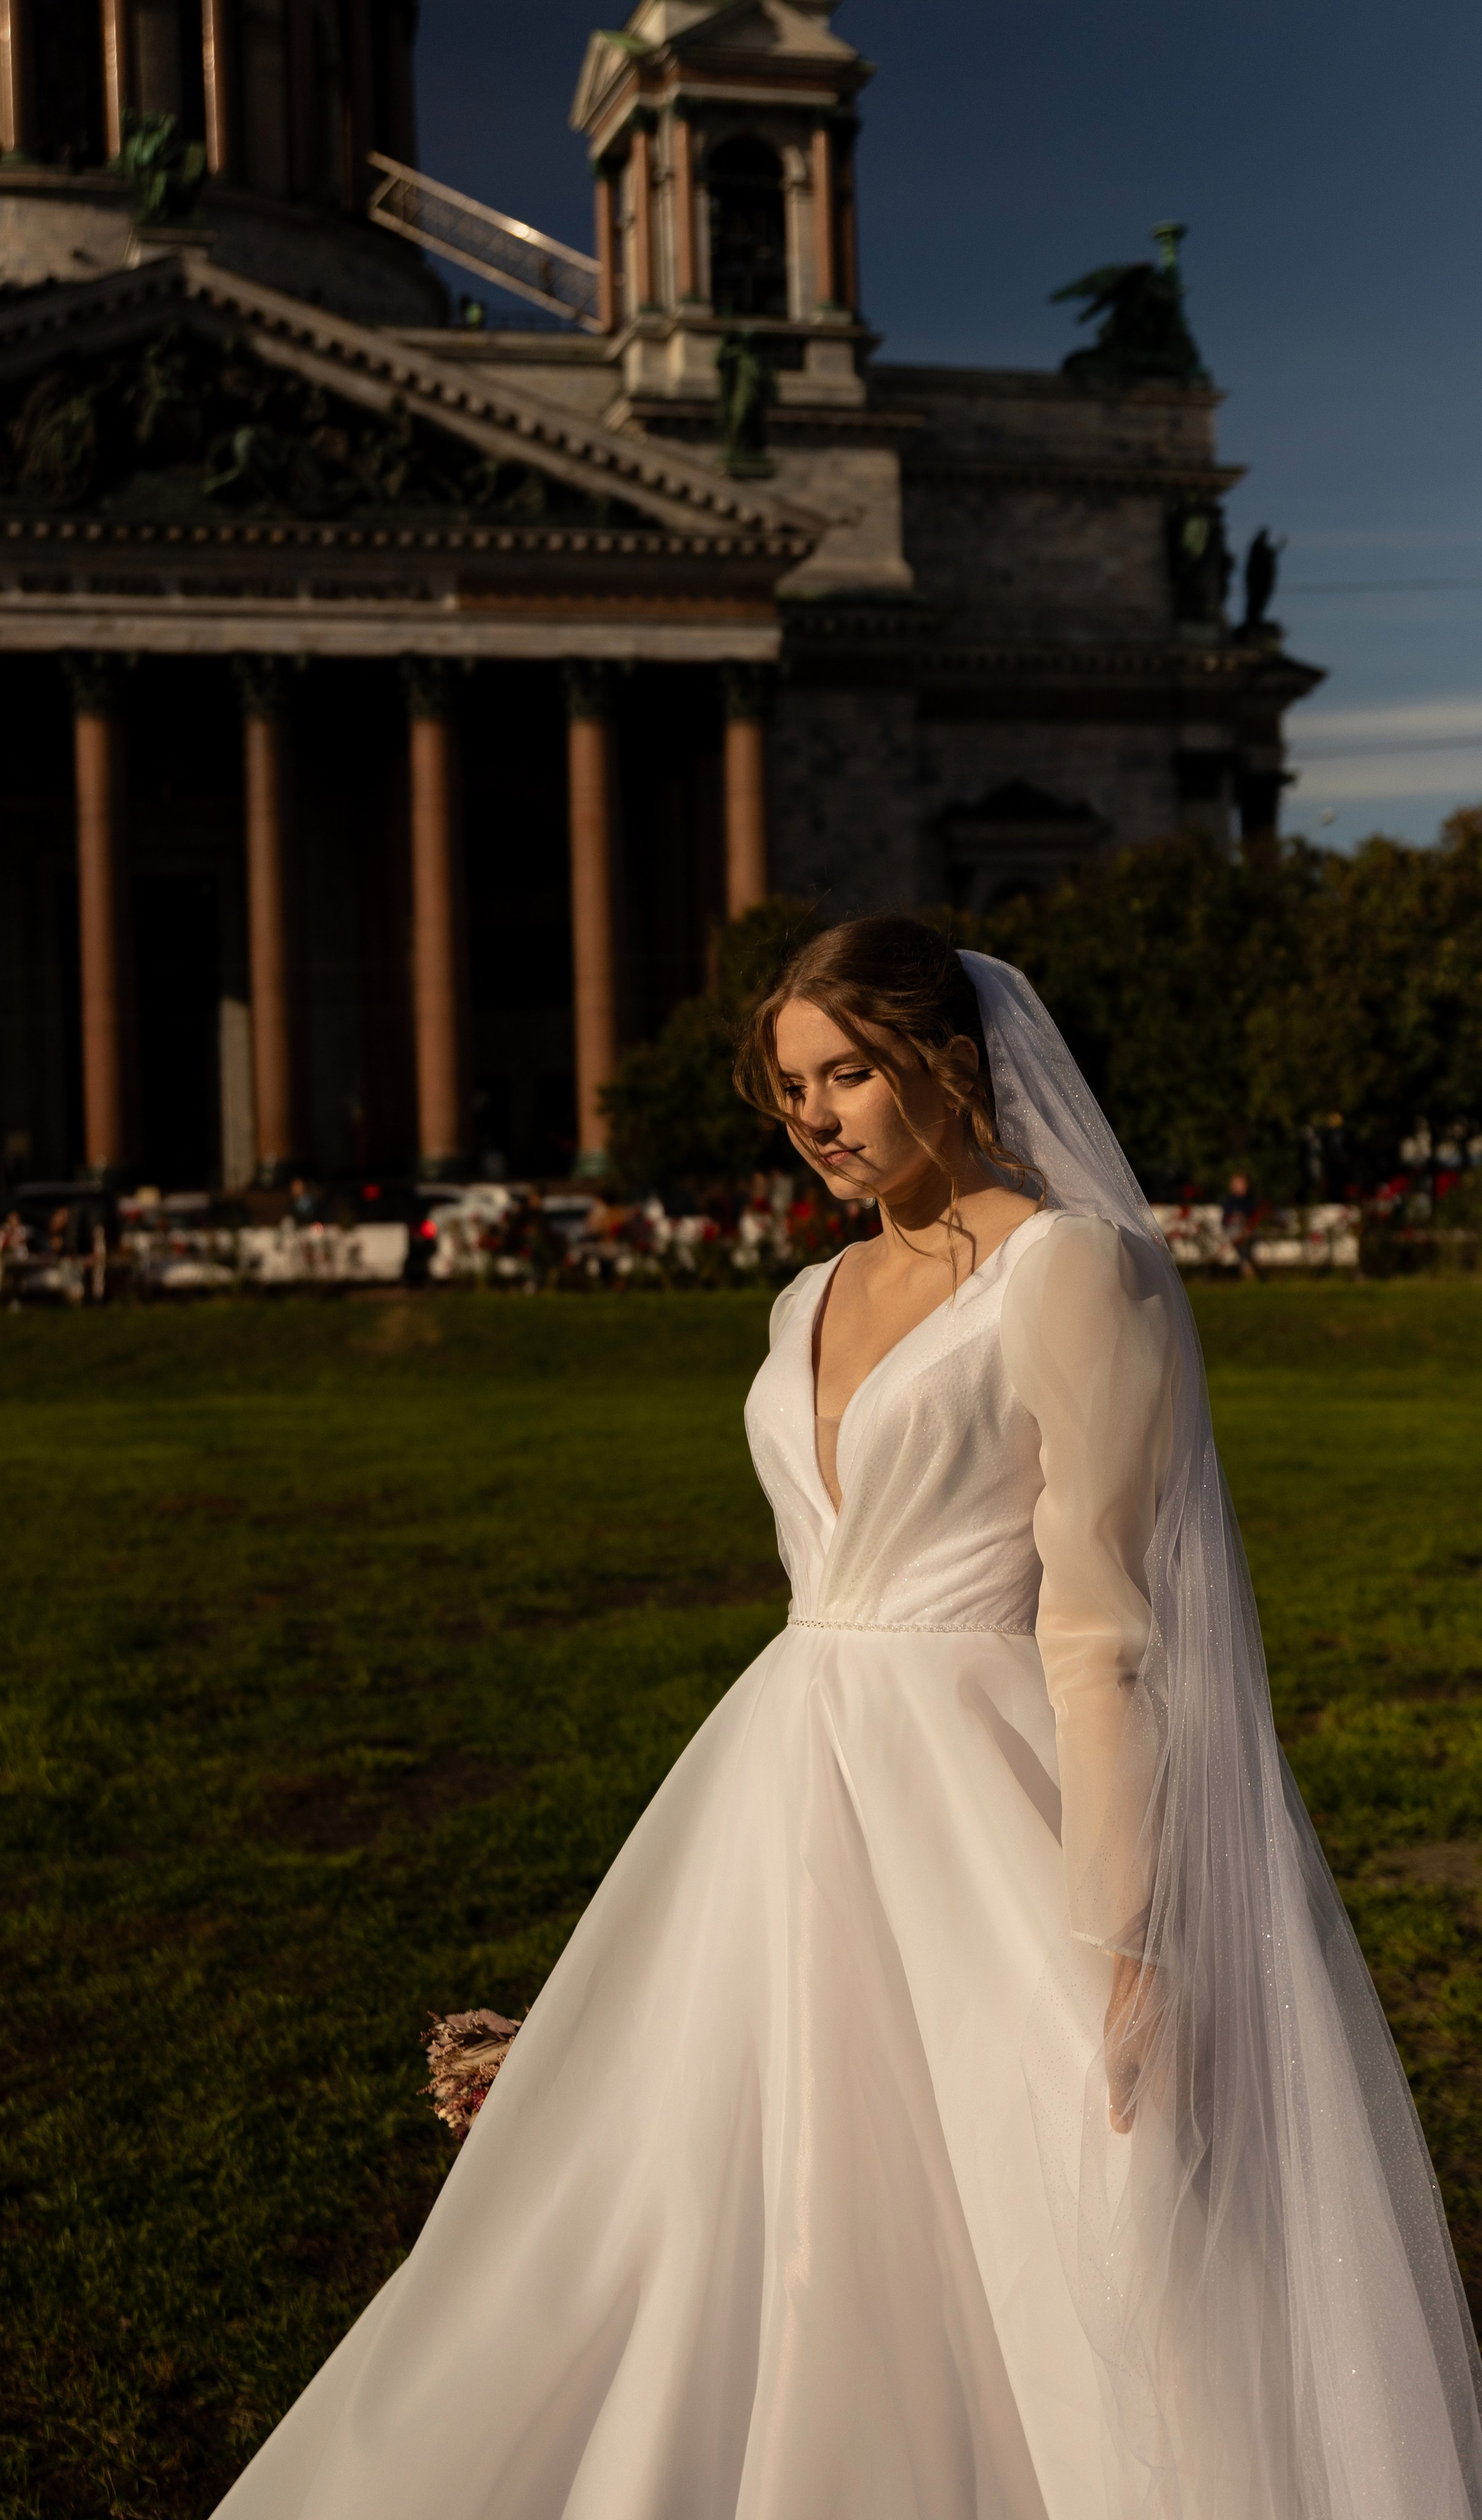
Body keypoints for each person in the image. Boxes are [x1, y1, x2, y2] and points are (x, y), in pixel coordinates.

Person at [213, 920, 1482, 2520]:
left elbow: (1100, 1625)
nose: (814, 1117)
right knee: (717, 2193)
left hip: (986, 1788)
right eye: (792, 1086)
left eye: (850, 1074)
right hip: (783, 1777)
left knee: (1064, 2200)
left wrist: (1130, 1931)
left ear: (950, 1063)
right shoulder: (804, 1289)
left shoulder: (1072, 1269)